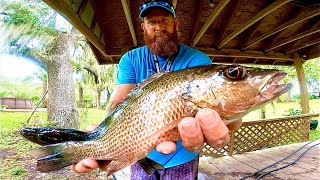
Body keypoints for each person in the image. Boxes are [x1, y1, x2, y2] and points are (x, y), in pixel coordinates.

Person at [71, 0, 242, 179]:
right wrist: (102, 134)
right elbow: (118, 101)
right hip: (138, 153)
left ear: (175, 24)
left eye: (164, 20)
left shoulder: (198, 60)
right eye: (152, 22)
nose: (158, 27)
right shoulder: (130, 59)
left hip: (183, 156)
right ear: (143, 27)